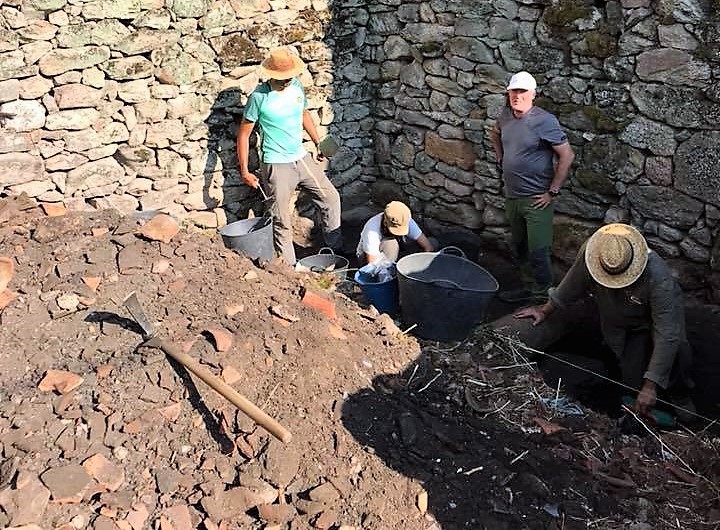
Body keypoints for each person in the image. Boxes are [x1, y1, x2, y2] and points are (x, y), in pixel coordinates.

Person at [514, 223, 695, 418]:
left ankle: (679, 395)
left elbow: (667, 333)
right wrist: (545, 310)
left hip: (654, 317)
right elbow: (570, 287)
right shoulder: (593, 255)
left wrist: (651, 385)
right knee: (632, 379)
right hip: (619, 321)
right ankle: (641, 393)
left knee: (678, 352)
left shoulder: (659, 279)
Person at [237, 47, 342, 265]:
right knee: (281, 219)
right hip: (276, 163)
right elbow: (244, 134)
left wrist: (318, 143)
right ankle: (290, 269)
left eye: (289, 76)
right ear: (271, 75)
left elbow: (303, 114)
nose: (287, 81)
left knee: (330, 198)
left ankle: (335, 251)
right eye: (282, 77)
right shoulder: (259, 97)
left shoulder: (296, 87)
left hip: (301, 157)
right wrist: (245, 171)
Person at [490, 71, 575, 303]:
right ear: (508, 93)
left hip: (536, 198)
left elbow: (566, 155)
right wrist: (500, 157)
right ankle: (529, 289)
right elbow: (495, 133)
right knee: (519, 247)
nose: (517, 96)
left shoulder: (544, 121)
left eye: (522, 92)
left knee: (539, 251)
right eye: (513, 91)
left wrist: (553, 191)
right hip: (512, 196)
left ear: (533, 94)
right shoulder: (505, 116)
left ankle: (544, 297)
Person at [356, 201, 435, 264]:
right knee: (391, 244)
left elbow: (427, 246)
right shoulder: (372, 229)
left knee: (433, 242)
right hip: (369, 259)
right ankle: (392, 273)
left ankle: (400, 265)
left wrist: (424, 265)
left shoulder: (404, 218)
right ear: (385, 223)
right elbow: (371, 265)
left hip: (398, 251)